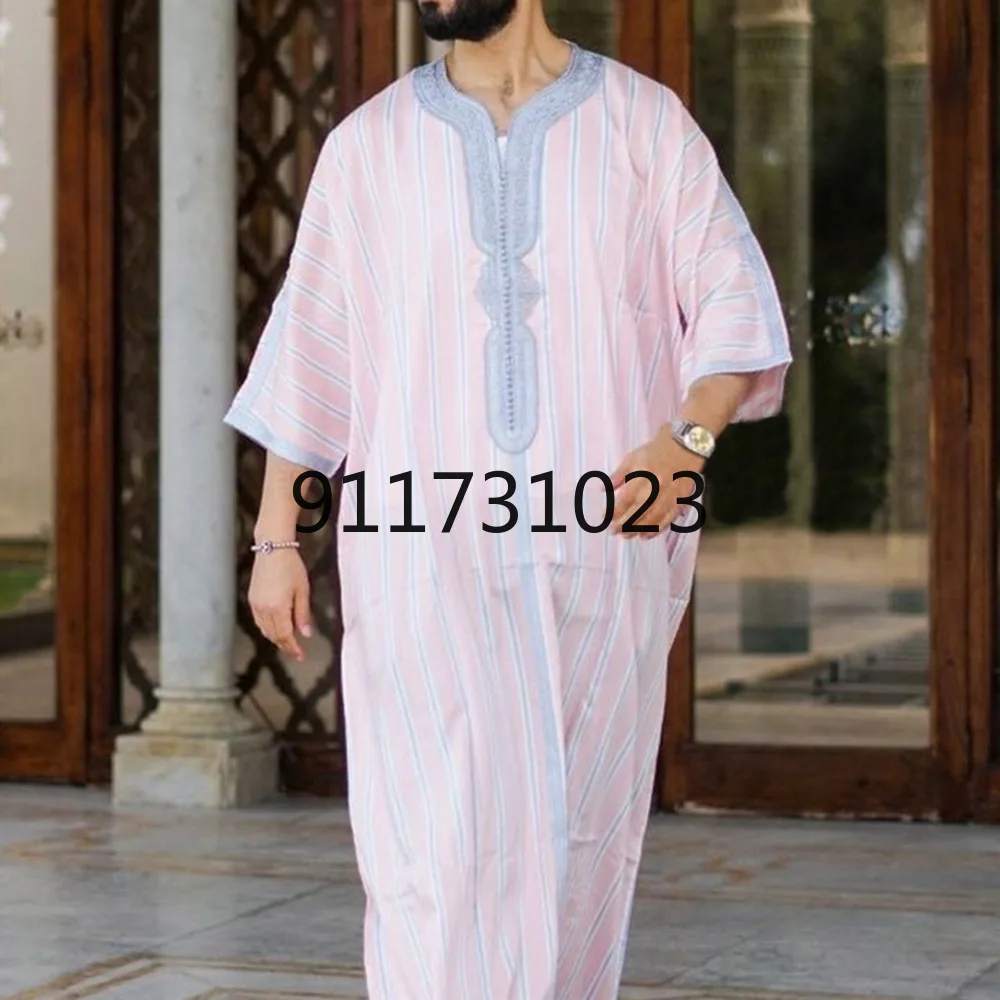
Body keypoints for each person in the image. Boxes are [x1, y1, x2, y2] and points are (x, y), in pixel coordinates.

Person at [224, 0, 792, 996]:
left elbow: (732, 307)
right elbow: (315, 350)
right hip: (418, 561)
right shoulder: (369, 148)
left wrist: (687, 442)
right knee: (426, 851)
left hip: (601, 559)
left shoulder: (643, 125)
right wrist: (275, 540)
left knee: (580, 844)